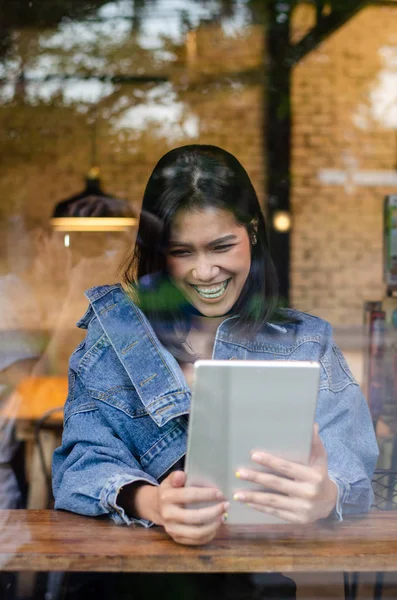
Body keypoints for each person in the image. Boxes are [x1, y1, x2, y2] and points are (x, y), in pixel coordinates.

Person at [52, 145, 378, 598]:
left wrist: (326, 496)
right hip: (126, 585)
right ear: (159, 255)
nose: (205, 272)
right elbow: (78, 467)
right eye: (182, 252)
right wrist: (154, 502)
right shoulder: (114, 338)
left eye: (222, 246)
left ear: (254, 231)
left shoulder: (306, 342)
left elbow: (355, 470)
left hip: (250, 581)